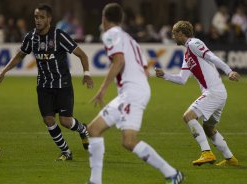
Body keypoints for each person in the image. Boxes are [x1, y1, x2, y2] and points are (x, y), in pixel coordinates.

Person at [86, 3, 184, 184]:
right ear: (121, 19)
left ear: (104, 18)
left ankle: (172, 173)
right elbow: (145, 68)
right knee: (100, 131)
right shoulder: (130, 39)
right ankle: (95, 181)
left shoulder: (110, 34)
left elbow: (119, 60)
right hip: (134, 91)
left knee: (122, 138)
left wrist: (102, 89)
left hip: (132, 93)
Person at [0, 3, 94, 161]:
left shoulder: (59, 36)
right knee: (48, 120)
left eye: (42, 17)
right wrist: (3, 71)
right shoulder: (31, 37)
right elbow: (19, 55)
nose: (38, 20)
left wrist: (86, 73)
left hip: (62, 85)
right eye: (36, 17)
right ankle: (66, 152)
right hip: (44, 86)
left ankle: (83, 129)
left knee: (66, 121)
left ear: (49, 19)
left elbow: (82, 55)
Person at [155, 20, 240, 166]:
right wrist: (164, 75)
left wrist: (229, 71)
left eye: (174, 34)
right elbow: (182, 79)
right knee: (209, 128)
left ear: (181, 34)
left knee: (188, 116)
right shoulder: (187, 55)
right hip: (218, 93)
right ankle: (230, 159)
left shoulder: (194, 43)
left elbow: (212, 57)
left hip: (213, 92)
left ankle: (206, 153)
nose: (173, 37)